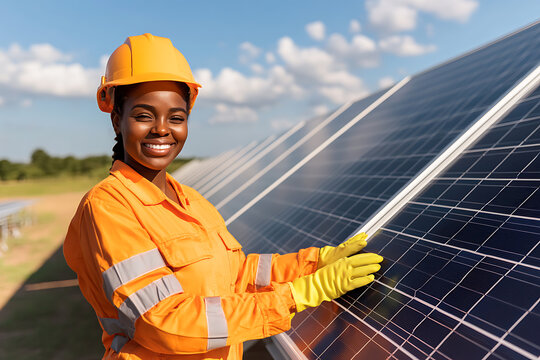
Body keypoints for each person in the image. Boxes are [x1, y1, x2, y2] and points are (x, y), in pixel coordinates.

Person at [63, 33, 384, 360]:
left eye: (176, 117)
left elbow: (240, 275)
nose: (162, 129)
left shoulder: (192, 201)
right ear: (117, 119)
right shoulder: (108, 206)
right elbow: (161, 322)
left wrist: (315, 263)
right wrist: (299, 295)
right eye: (144, 115)